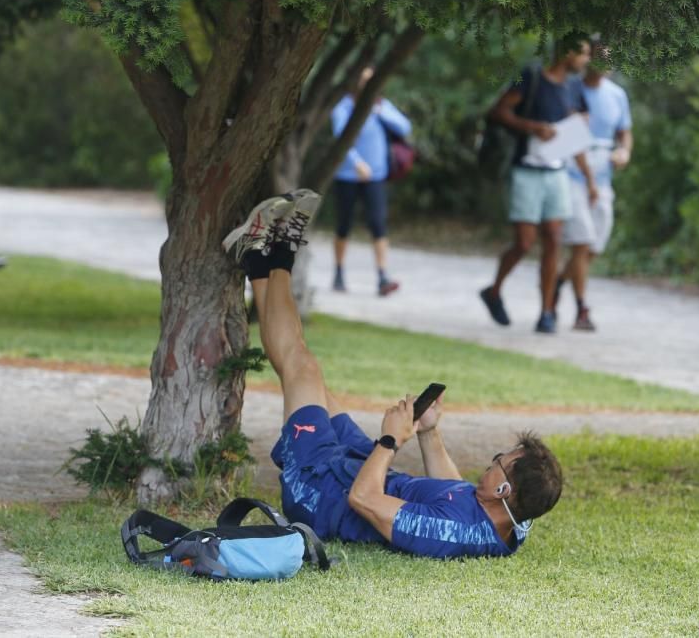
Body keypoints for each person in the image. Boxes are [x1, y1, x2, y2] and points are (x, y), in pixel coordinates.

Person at [222, 191, 564, 558]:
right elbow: (454, 490)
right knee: (306, 374)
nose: (492, 460)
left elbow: (363, 499)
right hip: (355, 467)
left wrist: (390, 441)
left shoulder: (448, 533)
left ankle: (278, 252)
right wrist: (429, 432)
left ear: (503, 492)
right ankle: (258, 256)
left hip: (321, 495)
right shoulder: (512, 519)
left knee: (302, 368)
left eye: (500, 461)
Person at [479, 35, 597, 333]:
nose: (586, 61)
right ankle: (493, 292)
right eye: (583, 54)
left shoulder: (573, 88)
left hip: (557, 172)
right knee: (524, 242)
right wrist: (532, 127)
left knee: (554, 239)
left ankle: (546, 313)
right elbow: (498, 111)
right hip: (526, 170)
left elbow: (576, 137)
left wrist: (589, 178)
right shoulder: (531, 77)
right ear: (567, 52)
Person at [556, 53, 633, 331]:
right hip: (574, 175)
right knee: (582, 242)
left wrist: (623, 151)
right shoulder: (572, 90)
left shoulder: (617, 95)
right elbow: (569, 137)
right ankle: (581, 308)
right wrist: (587, 179)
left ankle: (559, 282)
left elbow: (625, 132)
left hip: (603, 177)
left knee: (594, 246)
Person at [331, 66, 412, 296]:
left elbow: (405, 127)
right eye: (363, 81)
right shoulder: (343, 107)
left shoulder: (380, 105)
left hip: (376, 176)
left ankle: (382, 276)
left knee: (378, 224)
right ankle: (338, 272)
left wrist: (379, 111)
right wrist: (356, 163)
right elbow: (340, 137)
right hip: (348, 175)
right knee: (343, 225)